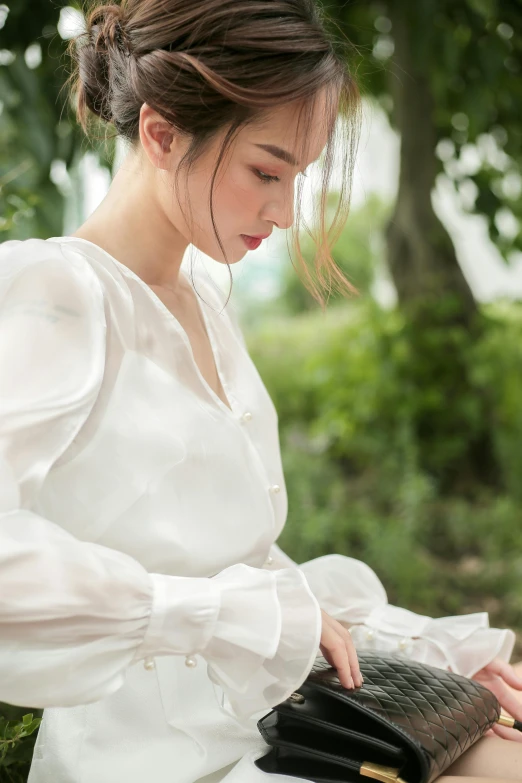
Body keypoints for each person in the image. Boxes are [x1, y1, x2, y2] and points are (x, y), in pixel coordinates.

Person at [0, 0, 521, 781]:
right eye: (266, 171)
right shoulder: (58, 290)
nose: (283, 212)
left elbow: (245, 566)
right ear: (163, 133)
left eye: (296, 178)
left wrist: (418, 657)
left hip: (276, 711)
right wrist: (209, 617)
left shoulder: (202, 301)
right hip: (161, 750)